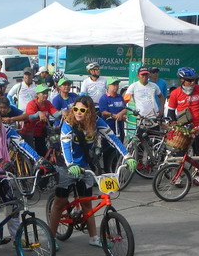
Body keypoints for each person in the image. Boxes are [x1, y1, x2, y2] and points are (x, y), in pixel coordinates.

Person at [47, 96, 133, 247]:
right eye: (75, 109)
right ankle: (51, 238)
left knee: (87, 203)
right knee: (59, 203)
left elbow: (113, 138)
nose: (78, 112)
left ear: (89, 111)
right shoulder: (68, 123)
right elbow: (65, 146)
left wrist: (127, 156)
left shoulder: (96, 121)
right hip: (66, 165)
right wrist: (70, 164)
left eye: (82, 110)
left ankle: (94, 238)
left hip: (84, 165)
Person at [0, 108, 44, 244]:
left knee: (12, 204)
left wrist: (38, 160)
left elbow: (22, 145)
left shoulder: (8, 131)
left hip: (2, 170)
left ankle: (16, 238)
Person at [166, 67, 199, 155]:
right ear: (182, 80)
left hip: (198, 127)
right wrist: (175, 127)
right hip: (183, 130)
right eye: (189, 80)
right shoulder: (175, 93)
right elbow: (171, 112)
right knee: (180, 155)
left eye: (194, 80)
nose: (192, 82)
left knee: (198, 154)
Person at [98, 79, 128, 171]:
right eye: (114, 85)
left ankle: (116, 168)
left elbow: (125, 108)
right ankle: (107, 170)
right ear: (109, 86)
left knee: (119, 148)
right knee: (108, 150)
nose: (116, 87)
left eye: (117, 84)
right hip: (108, 128)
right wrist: (113, 115)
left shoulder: (120, 97)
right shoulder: (104, 98)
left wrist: (121, 114)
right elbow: (103, 112)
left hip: (119, 127)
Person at [22, 84, 56, 156]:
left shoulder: (48, 103)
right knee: (34, 155)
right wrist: (38, 114)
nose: (46, 95)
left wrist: (63, 112)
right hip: (31, 134)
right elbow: (30, 116)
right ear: (37, 94)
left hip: (41, 133)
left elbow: (55, 113)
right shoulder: (31, 104)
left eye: (46, 93)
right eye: (43, 93)